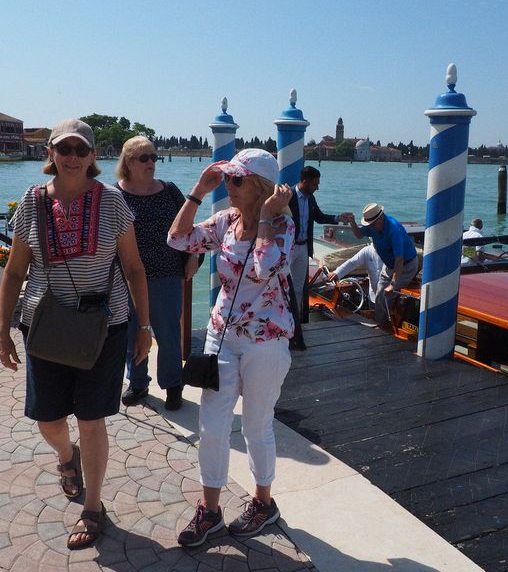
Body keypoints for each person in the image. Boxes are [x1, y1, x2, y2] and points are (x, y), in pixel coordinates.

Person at [0, 119, 151, 550]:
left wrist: (144, 326)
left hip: (105, 324)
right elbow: (14, 271)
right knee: (47, 418)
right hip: (45, 325)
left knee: (91, 417)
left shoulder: (114, 203)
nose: (72, 158)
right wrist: (2, 330)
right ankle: (68, 458)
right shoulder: (30, 204)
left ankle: (94, 508)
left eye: (81, 150)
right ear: (51, 154)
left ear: (93, 157)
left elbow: (135, 268)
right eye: (64, 149)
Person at [168, 148, 295, 547]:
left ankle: (263, 503)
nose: (229, 185)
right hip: (222, 337)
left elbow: (261, 266)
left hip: (267, 343)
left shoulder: (283, 227)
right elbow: (177, 239)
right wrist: (197, 192)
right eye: (227, 178)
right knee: (212, 427)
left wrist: (268, 218)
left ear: (260, 187)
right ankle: (210, 511)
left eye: (236, 180)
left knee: (257, 426)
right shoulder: (224, 221)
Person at [115, 136, 196, 411]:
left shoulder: (169, 190)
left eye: (154, 157)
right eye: (144, 158)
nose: (151, 162)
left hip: (167, 273)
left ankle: (173, 384)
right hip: (126, 278)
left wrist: (193, 257)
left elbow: (189, 227)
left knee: (168, 333)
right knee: (133, 332)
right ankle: (138, 382)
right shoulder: (115, 194)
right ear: (128, 162)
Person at [288, 166, 351, 323]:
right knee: (282, 284)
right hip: (288, 248)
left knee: (298, 286)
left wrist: (338, 218)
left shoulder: (311, 199)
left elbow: (320, 218)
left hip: (303, 248)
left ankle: (295, 321)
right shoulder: (288, 196)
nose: (317, 187)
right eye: (315, 184)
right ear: (304, 182)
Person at [347, 203, 418, 326]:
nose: (371, 228)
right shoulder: (373, 225)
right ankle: (381, 324)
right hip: (389, 266)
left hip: (406, 266)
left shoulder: (394, 230)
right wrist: (352, 222)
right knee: (380, 293)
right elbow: (359, 235)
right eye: (369, 225)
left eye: (373, 225)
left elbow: (399, 260)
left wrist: (393, 284)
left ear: (380, 218)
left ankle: (393, 324)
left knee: (389, 293)